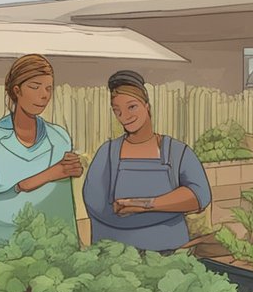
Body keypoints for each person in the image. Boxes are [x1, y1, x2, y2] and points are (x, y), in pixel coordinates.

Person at [82, 71, 211, 252]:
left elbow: (200, 196)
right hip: (114, 256)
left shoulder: (177, 152)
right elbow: (96, 204)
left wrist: (146, 205)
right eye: (117, 110)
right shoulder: (108, 152)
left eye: (132, 107)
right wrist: (168, 209)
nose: (124, 116)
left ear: (147, 106)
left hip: (170, 254)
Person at [0, 54, 81, 249]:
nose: (43, 95)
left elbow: (62, 202)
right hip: (1, 247)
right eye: (35, 87)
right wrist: (0, 227)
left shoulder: (59, 138)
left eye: (48, 88)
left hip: (53, 247)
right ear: (16, 90)